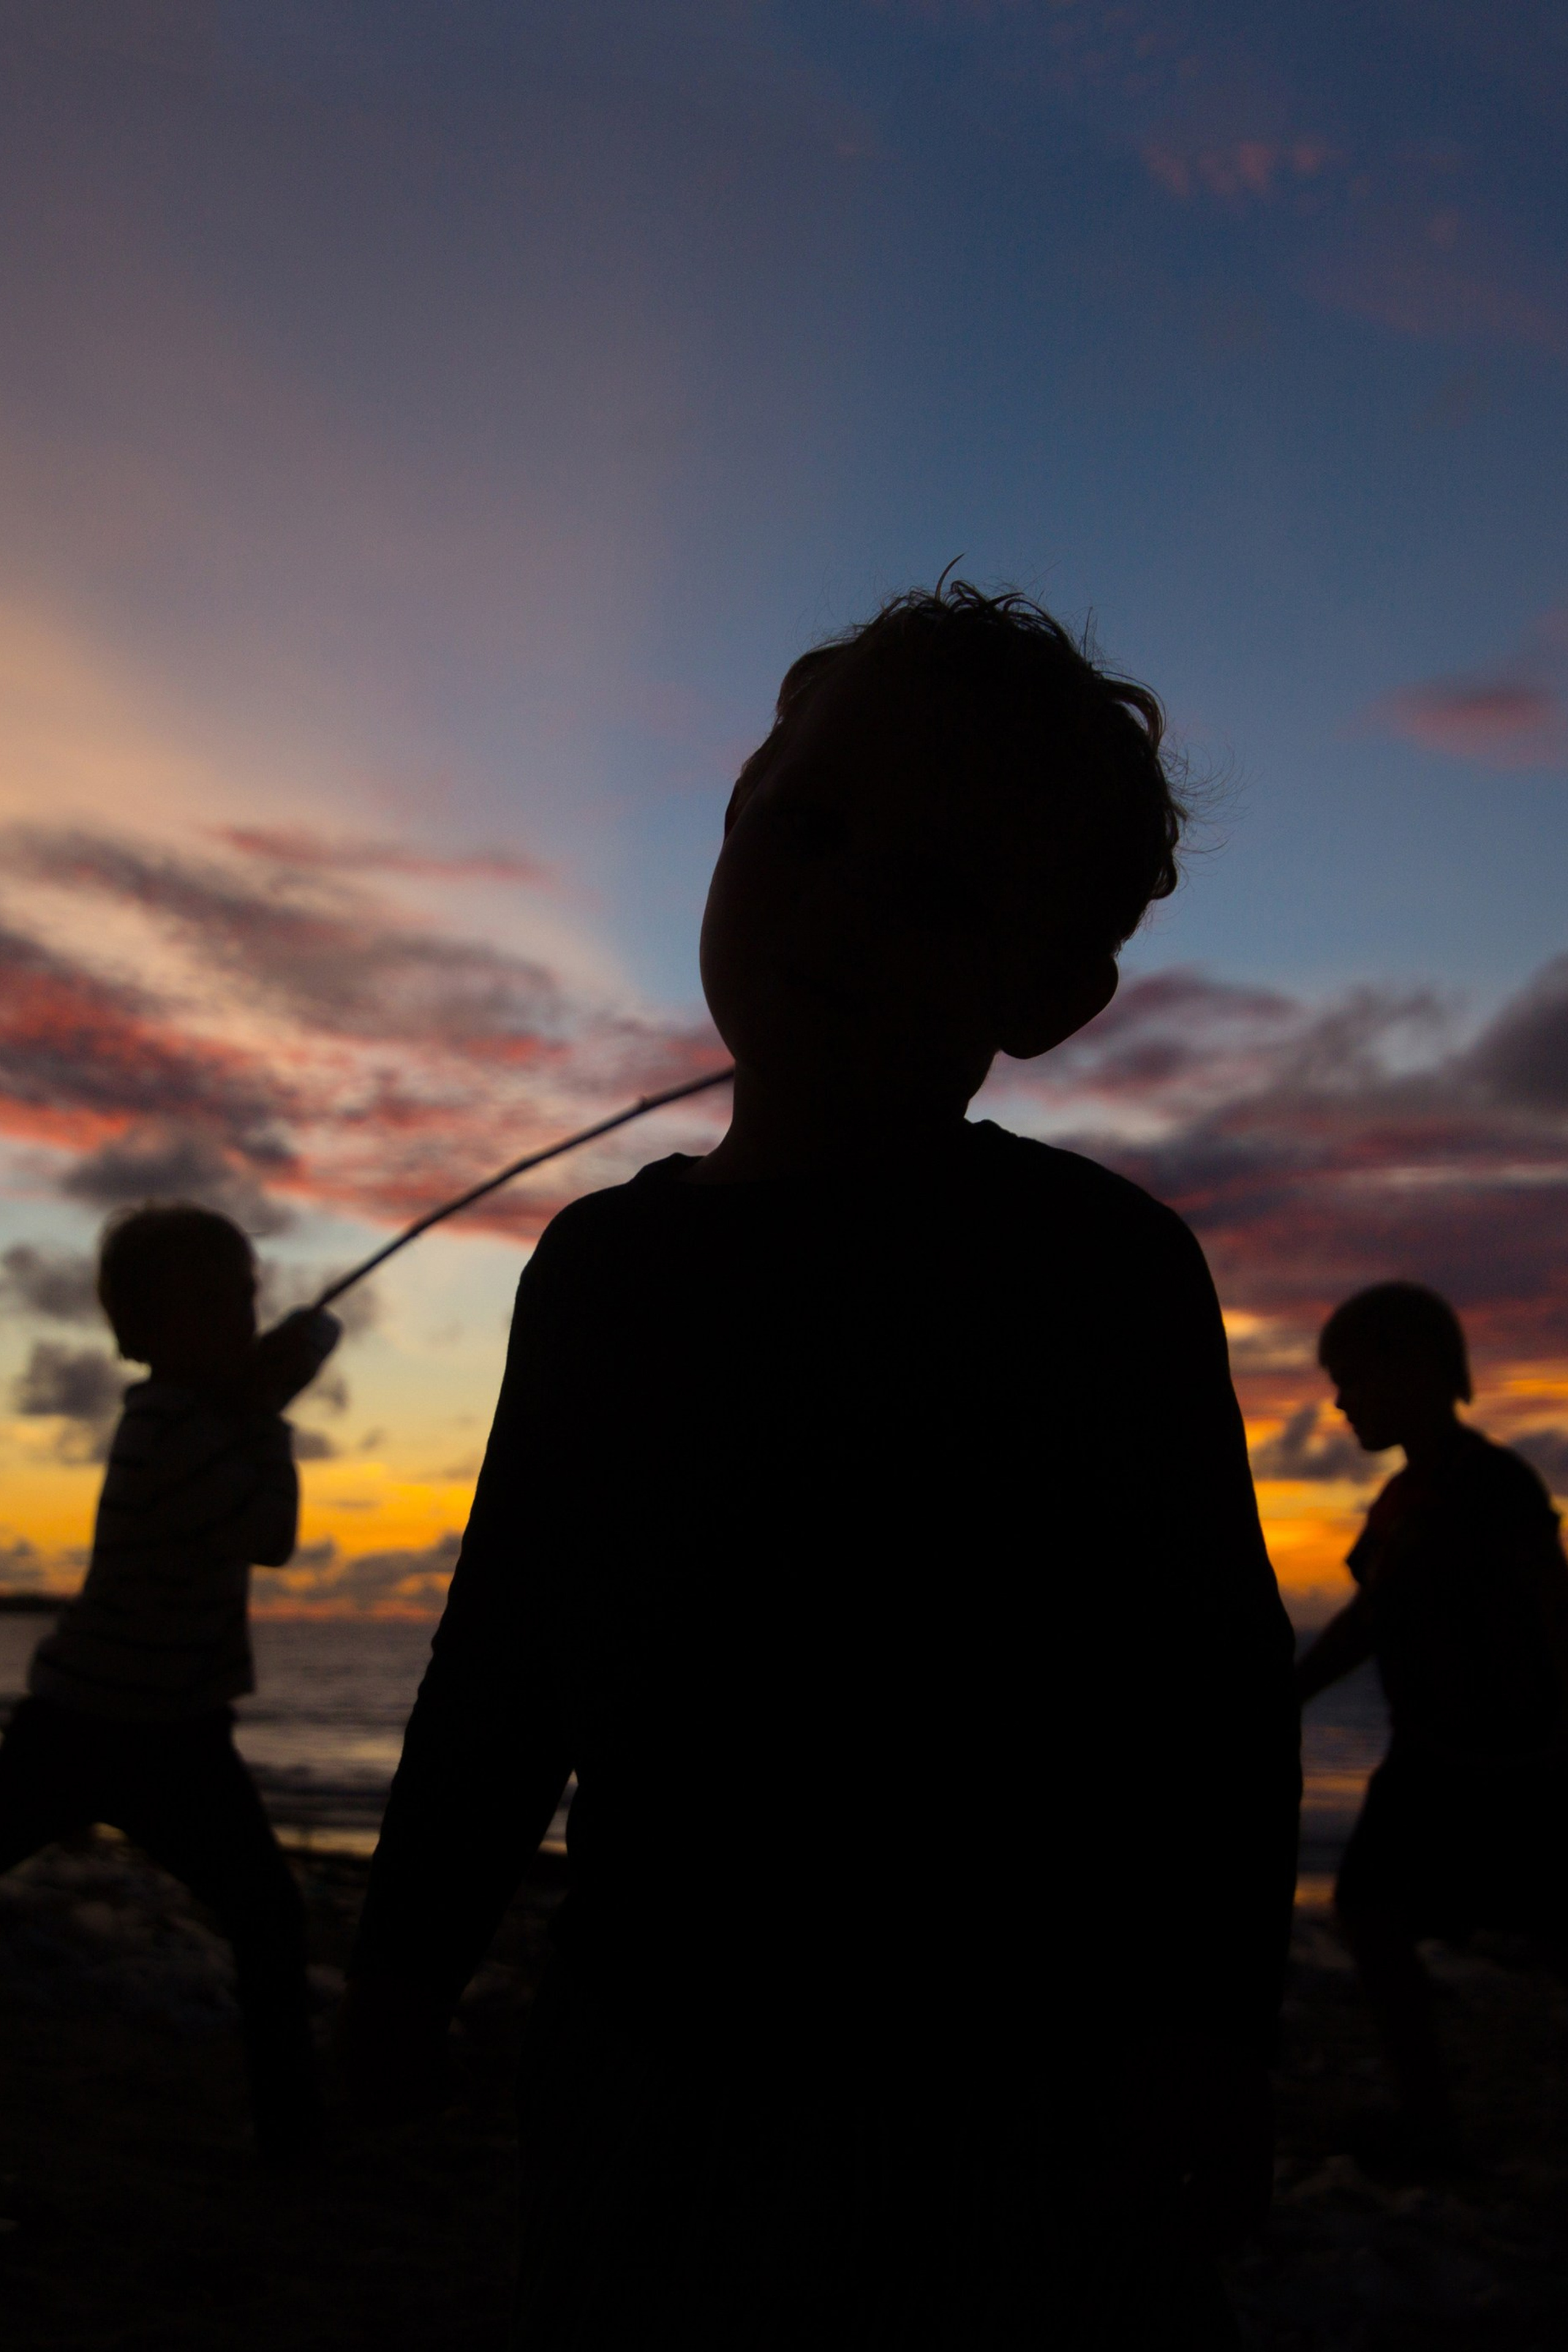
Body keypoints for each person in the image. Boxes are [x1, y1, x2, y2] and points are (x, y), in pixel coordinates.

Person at [342, 583, 1300, 2347]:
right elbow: (508, 1660)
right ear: (730, 824)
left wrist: (1215, 2036)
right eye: (806, 830)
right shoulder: (599, 1269)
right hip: (645, 2039)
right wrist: (405, 1969)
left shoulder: (1095, 1268)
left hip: (1011, 2075)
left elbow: (1212, 1688)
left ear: (1052, 993)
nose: (843, 902)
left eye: (937, 885)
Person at [0, 1202, 340, 2163]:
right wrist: (272, 1409)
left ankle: (289, 2131)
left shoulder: (205, 1416)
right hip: (89, 1725)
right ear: (140, 1330)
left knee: (267, 1918)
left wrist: (280, 1372)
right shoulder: (164, 1427)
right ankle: (292, 2133)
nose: (237, 1321)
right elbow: (268, 1535)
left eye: (243, 1300)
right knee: (266, 1919)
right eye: (208, 1305)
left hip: (177, 1730)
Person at [1295, 1281, 1568, 2165]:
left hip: (1507, 1759)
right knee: (1371, 1915)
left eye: (1353, 1380)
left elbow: (1546, 1610)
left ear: (1411, 1371)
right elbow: (1369, 1618)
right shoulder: (1406, 1499)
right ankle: (1429, 2122)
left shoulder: (1490, 1486)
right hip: (1433, 1756)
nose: (1339, 1403)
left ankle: (1433, 2123)